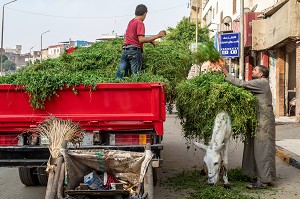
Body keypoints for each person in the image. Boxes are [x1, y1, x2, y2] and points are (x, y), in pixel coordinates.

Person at [221, 65, 276, 189]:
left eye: (255, 70)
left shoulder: (261, 83)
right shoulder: (260, 83)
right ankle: (254, 175)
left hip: (264, 120)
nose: (253, 71)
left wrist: (226, 74)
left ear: (261, 74)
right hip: (258, 119)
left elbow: (242, 84)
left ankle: (263, 180)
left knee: (262, 148)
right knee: (254, 147)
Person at [116, 4, 166, 78]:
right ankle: (135, 88)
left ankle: (115, 86)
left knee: (120, 74)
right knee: (136, 76)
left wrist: (150, 41)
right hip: (134, 52)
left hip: (125, 50)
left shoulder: (131, 22)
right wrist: (157, 36)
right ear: (145, 13)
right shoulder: (140, 23)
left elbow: (132, 36)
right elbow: (141, 39)